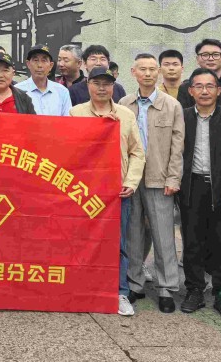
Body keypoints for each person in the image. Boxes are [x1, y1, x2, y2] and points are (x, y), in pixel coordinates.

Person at [70, 67, 145, 316]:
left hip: (117, 192)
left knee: (118, 243)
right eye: (97, 83)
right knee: (83, 242)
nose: (102, 88)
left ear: (113, 87)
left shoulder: (126, 115)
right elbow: (69, 149)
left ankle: (120, 292)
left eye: (107, 84)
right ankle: (83, 288)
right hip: (84, 192)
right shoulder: (76, 113)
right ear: (88, 85)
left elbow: (137, 153)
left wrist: (131, 183)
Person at [178, 68, 221, 319]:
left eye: (210, 86)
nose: (204, 91)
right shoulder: (183, 117)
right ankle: (194, 290)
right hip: (191, 186)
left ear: (218, 91)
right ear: (191, 91)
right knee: (192, 241)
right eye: (199, 86)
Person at [120, 54, 184, 313]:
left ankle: (167, 287)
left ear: (158, 72)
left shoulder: (172, 105)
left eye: (151, 69)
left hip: (160, 178)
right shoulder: (124, 104)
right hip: (131, 178)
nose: (147, 74)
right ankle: (134, 283)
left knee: (163, 234)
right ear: (133, 72)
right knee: (133, 233)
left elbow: (178, 146)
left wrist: (173, 178)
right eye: (142, 69)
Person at [178, 39, 221, 110]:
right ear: (197, 59)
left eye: (216, 55)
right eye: (205, 55)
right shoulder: (185, 88)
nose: (211, 59)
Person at [15, 45, 72, 116]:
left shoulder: (62, 91)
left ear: (51, 66)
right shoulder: (17, 90)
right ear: (28, 64)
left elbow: (67, 120)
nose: (39, 65)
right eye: (36, 60)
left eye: (44, 60)